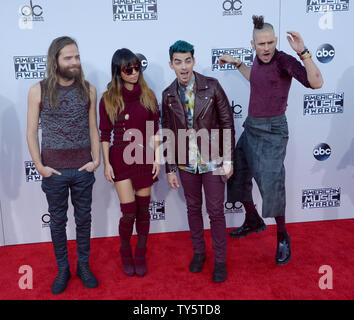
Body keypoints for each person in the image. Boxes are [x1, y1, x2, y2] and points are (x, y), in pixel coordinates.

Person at [219, 15, 323, 265]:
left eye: (269, 43)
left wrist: (304, 53)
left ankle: (283, 236)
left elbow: (316, 83)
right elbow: (256, 80)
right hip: (252, 126)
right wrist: (237, 64)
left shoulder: (284, 60)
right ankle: (253, 220)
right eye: (261, 44)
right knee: (236, 174)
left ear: (275, 41)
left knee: (271, 186)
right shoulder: (257, 59)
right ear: (252, 44)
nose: (266, 48)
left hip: (273, 131)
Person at [26, 36, 100, 294]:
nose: (74, 62)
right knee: (57, 222)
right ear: (55, 60)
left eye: (77, 57)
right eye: (68, 57)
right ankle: (63, 269)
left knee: (84, 220)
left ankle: (83, 266)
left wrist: (97, 160)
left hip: (82, 169)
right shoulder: (38, 90)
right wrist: (39, 165)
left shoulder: (89, 89)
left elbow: (93, 127)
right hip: (53, 171)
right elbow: (31, 132)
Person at [162, 40, 235, 282]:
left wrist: (228, 159)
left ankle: (221, 261)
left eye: (187, 61)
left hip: (213, 161)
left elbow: (227, 123)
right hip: (185, 164)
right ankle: (199, 253)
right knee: (193, 209)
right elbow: (167, 132)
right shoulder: (168, 95)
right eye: (178, 62)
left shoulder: (212, 86)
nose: (183, 67)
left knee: (215, 211)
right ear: (171, 64)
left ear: (194, 61)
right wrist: (170, 168)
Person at [99, 48, 160, 277]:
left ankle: (141, 251)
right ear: (118, 71)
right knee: (129, 213)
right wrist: (107, 164)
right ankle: (125, 250)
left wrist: (157, 158)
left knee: (144, 210)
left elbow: (154, 130)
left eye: (137, 67)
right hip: (120, 159)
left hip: (144, 156)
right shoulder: (108, 99)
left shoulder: (149, 95)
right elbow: (105, 134)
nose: (134, 72)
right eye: (128, 69)